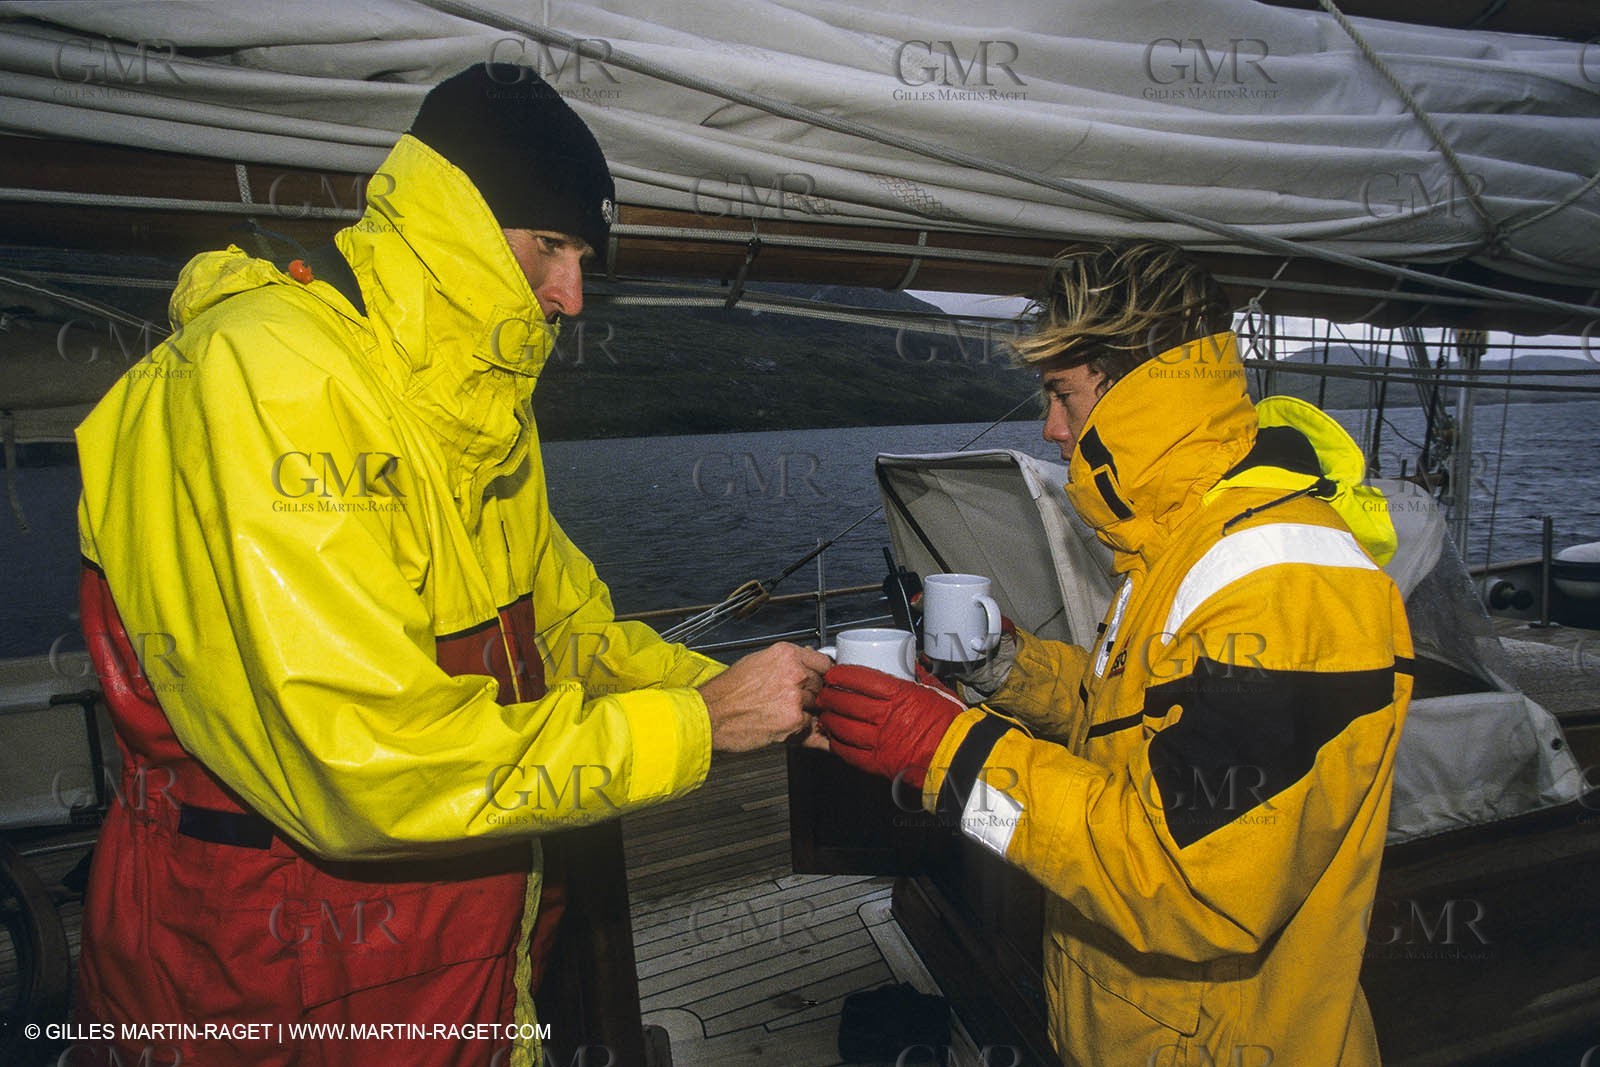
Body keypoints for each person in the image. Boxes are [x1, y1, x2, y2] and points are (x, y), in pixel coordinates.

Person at [70, 64, 828, 1067]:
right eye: (550, 245)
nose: (571, 295)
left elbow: (567, 636)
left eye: (584, 258)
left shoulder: (473, 419)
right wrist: (699, 724)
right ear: (455, 219)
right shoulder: (266, 376)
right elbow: (361, 762)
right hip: (274, 981)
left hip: (459, 955)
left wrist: (764, 690)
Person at [817, 242, 1412, 1066]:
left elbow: (1179, 884)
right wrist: (998, 667)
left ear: (1139, 391)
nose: (1050, 429)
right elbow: (1122, 720)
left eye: (1063, 394)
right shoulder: (1183, 547)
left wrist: (943, 755)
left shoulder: (1285, 583)